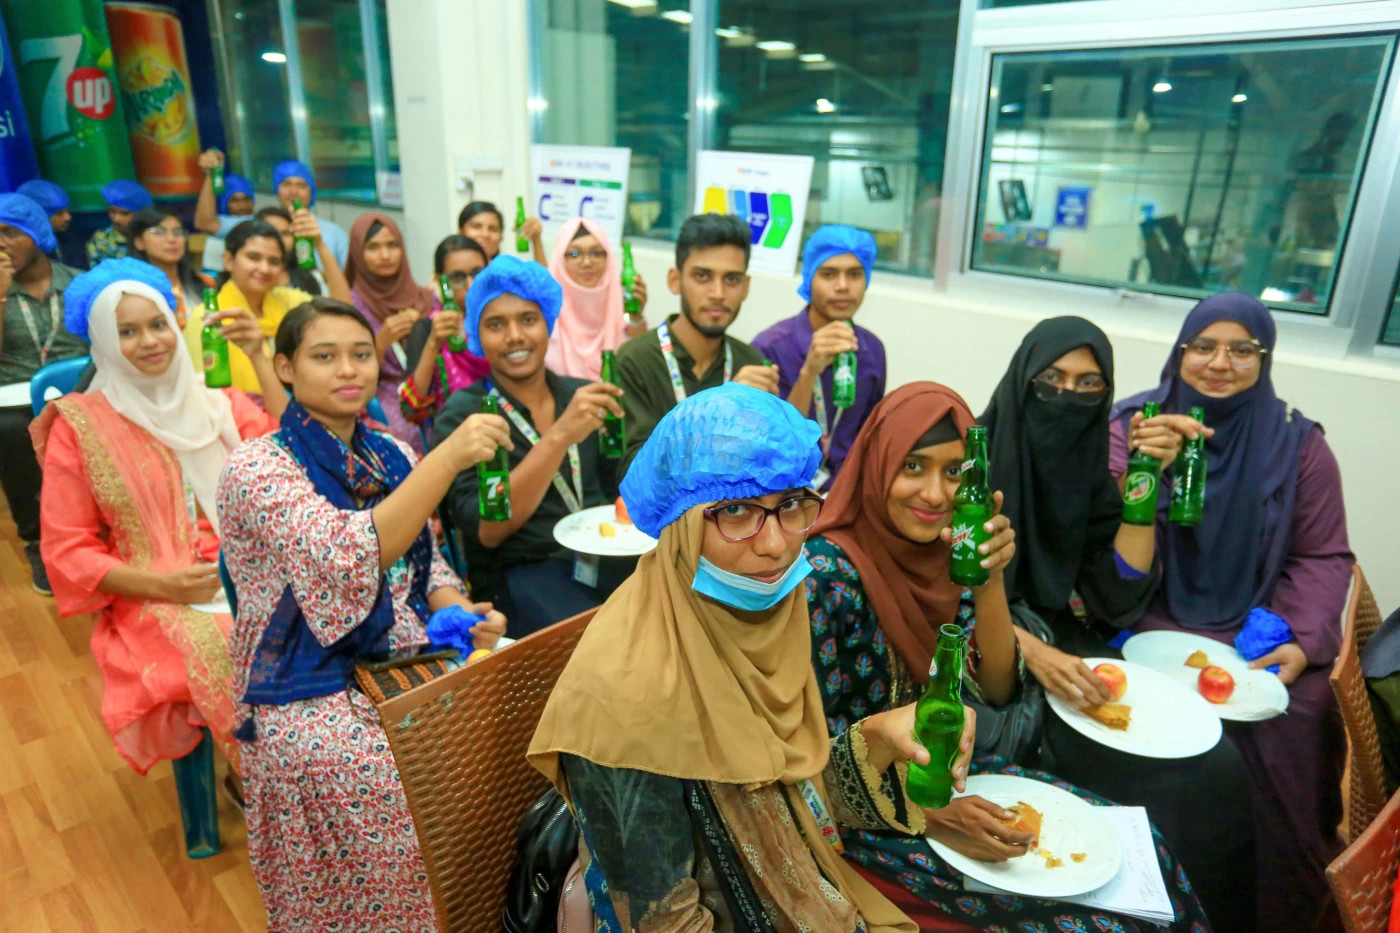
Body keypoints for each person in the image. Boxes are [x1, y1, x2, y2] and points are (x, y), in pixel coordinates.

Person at [528, 382, 976, 931]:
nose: (776, 545)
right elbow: (665, 923)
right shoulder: (626, 693)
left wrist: (881, 737)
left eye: (790, 504)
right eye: (736, 510)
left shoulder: (764, 619)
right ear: (680, 524)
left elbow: (794, 807)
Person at [804, 381, 1218, 931]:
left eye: (954, 471)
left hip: (952, 778)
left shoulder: (946, 553)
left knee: (1151, 863)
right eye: (913, 467)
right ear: (876, 467)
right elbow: (805, 759)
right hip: (863, 813)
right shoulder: (824, 577)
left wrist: (990, 579)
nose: (935, 493)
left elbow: (998, 688)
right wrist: (927, 813)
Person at [216, 297, 508, 931]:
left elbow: (426, 565)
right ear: (285, 368)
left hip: (404, 648)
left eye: (361, 355)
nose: (348, 370)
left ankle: (474, 908)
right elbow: (346, 558)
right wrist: (446, 458)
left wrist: (458, 612)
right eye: (325, 356)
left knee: (505, 729)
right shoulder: (258, 468)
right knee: (374, 770)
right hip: (304, 673)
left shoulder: (391, 454)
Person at [1110, 291, 1353, 933]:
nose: (1220, 363)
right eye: (1204, 347)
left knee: (1299, 711)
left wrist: (1299, 638)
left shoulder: (1298, 443)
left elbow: (1323, 555)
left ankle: (1274, 905)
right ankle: (1153, 895)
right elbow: (1098, 543)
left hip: (1256, 621)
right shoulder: (1134, 424)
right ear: (1180, 351)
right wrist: (1142, 469)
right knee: (1153, 709)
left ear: (1264, 359)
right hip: (1150, 613)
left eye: (1242, 349)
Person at [31, 258, 281, 773]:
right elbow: (67, 547)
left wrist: (258, 355)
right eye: (127, 332)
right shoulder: (80, 428)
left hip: (255, 568)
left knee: (324, 620)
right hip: (154, 590)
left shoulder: (220, 404)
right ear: (103, 341)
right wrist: (163, 585)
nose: (149, 342)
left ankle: (314, 777)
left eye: (157, 325)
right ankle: (268, 787)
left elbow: (289, 458)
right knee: (234, 647)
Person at [436, 255, 624, 635]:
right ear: (476, 334)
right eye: (495, 324)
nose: (515, 336)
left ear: (548, 323)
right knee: (604, 639)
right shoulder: (465, 416)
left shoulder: (580, 395)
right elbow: (489, 531)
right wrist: (559, 436)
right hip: (521, 573)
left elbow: (618, 491)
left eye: (527, 319)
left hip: (603, 555)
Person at [614, 213, 778, 474]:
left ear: (746, 287)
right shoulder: (635, 360)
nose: (718, 294)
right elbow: (634, 470)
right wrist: (723, 410)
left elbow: (764, 465)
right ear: (675, 280)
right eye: (702, 277)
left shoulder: (751, 363)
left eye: (732, 280)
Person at [753, 224, 886, 489]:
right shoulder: (770, 347)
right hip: (784, 489)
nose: (843, 286)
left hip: (847, 489)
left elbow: (868, 437)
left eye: (855, 274)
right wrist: (809, 372)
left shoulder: (872, 349)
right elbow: (771, 447)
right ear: (809, 278)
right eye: (828, 274)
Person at [0, 193, 88, 594]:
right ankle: (37, 540)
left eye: (9, 233)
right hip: (13, 398)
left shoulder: (79, 283)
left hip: (77, 389)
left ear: (35, 232)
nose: (1, 244)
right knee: (9, 430)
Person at [344, 212, 438, 451]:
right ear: (357, 253)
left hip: (434, 386)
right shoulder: (351, 305)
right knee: (405, 430)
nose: (385, 255)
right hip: (383, 391)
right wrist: (380, 342)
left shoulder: (426, 298)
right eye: (373, 247)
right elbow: (349, 368)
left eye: (392, 245)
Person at [214, 219, 314, 397]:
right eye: (253, 258)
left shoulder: (288, 301)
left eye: (274, 261)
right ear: (228, 260)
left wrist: (320, 246)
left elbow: (341, 315)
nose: (265, 269)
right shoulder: (210, 317)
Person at [399, 234, 491, 425]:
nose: (470, 285)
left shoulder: (502, 322)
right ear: (439, 280)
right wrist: (434, 343)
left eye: (477, 273)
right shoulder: (428, 329)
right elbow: (412, 411)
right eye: (457, 277)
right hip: (454, 431)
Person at [544, 217, 648, 381]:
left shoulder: (620, 301)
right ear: (560, 260)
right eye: (575, 254)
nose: (587, 262)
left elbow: (638, 364)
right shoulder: (545, 313)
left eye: (596, 253)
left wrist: (636, 316)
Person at [127, 206, 214, 373]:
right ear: (139, 242)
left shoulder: (205, 283)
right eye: (159, 232)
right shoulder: (133, 292)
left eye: (178, 232)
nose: (172, 239)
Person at [252, 204, 351, 301]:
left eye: (285, 234)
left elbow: (342, 305)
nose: (279, 239)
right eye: (270, 233)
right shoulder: (249, 275)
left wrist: (319, 244)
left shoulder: (310, 278)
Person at [272, 159, 350, 268]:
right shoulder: (265, 229)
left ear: (312, 192)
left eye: (302, 186)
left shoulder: (334, 234)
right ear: (276, 189)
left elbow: (347, 274)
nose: (294, 192)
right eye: (286, 184)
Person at [192, 148, 255, 272]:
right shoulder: (222, 223)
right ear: (224, 203)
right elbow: (204, 223)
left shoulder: (259, 220)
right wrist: (210, 175)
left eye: (246, 199)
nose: (242, 205)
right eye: (234, 200)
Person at [458, 199, 546, 265]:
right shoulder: (451, 269)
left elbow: (544, 282)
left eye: (493, 229)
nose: (485, 234)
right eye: (476, 227)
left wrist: (536, 239)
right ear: (461, 231)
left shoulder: (506, 272)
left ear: (501, 237)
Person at [87, 180, 154, 265]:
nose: (116, 219)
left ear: (142, 214)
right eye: (112, 211)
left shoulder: (155, 235)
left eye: (125, 213)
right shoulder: (102, 240)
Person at [16, 179, 78, 267]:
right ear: (37, 215)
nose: (68, 217)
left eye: (67, 211)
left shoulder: (70, 241)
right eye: (59, 213)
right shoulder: (20, 249)